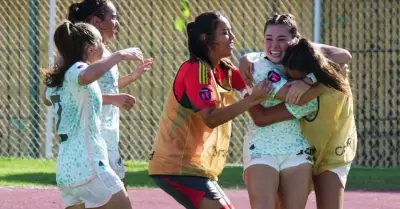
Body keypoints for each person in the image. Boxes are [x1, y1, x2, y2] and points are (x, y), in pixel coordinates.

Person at [148, 11, 272, 209]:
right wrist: (250, 101)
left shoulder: (224, 69)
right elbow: (211, 118)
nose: (232, 37)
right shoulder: (196, 70)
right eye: (225, 32)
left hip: (197, 168)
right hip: (176, 166)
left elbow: (255, 81)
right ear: (206, 38)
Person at [239, 14, 353, 209]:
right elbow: (285, 102)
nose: (274, 45)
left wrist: (309, 80)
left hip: (323, 148)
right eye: (269, 38)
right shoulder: (261, 68)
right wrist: (330, 82)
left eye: (281, 39)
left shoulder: (312, 62)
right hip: (264, 150)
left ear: (296, 40)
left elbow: (345, 55)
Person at [42, 21, 143, 209]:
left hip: (66, 170)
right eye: (100, 43)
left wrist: (114, 97)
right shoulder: (77, 70)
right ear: (90, 49)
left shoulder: (59, 80)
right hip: (90, 165)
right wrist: (119, 55)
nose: (104, 48)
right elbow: (86, 75)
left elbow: (51, 98)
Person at [67, 0, 152, 186]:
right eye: (113, 17)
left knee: (116, 189)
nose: (117, 22)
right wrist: (114, 99)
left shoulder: (105, 53)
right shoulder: (85, 55)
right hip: (91, 135)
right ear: (97, 22)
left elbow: (103, 89)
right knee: (114, 195)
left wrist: (131, 77)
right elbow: (79, 95)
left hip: (109, 133)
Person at [279, 38, 357, 209]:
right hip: (298, 151)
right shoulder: (334, 75)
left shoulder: (334, 79)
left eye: (298, 80)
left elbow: (345, 55)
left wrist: (307, 81)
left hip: (333, 152)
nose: (294, 86)